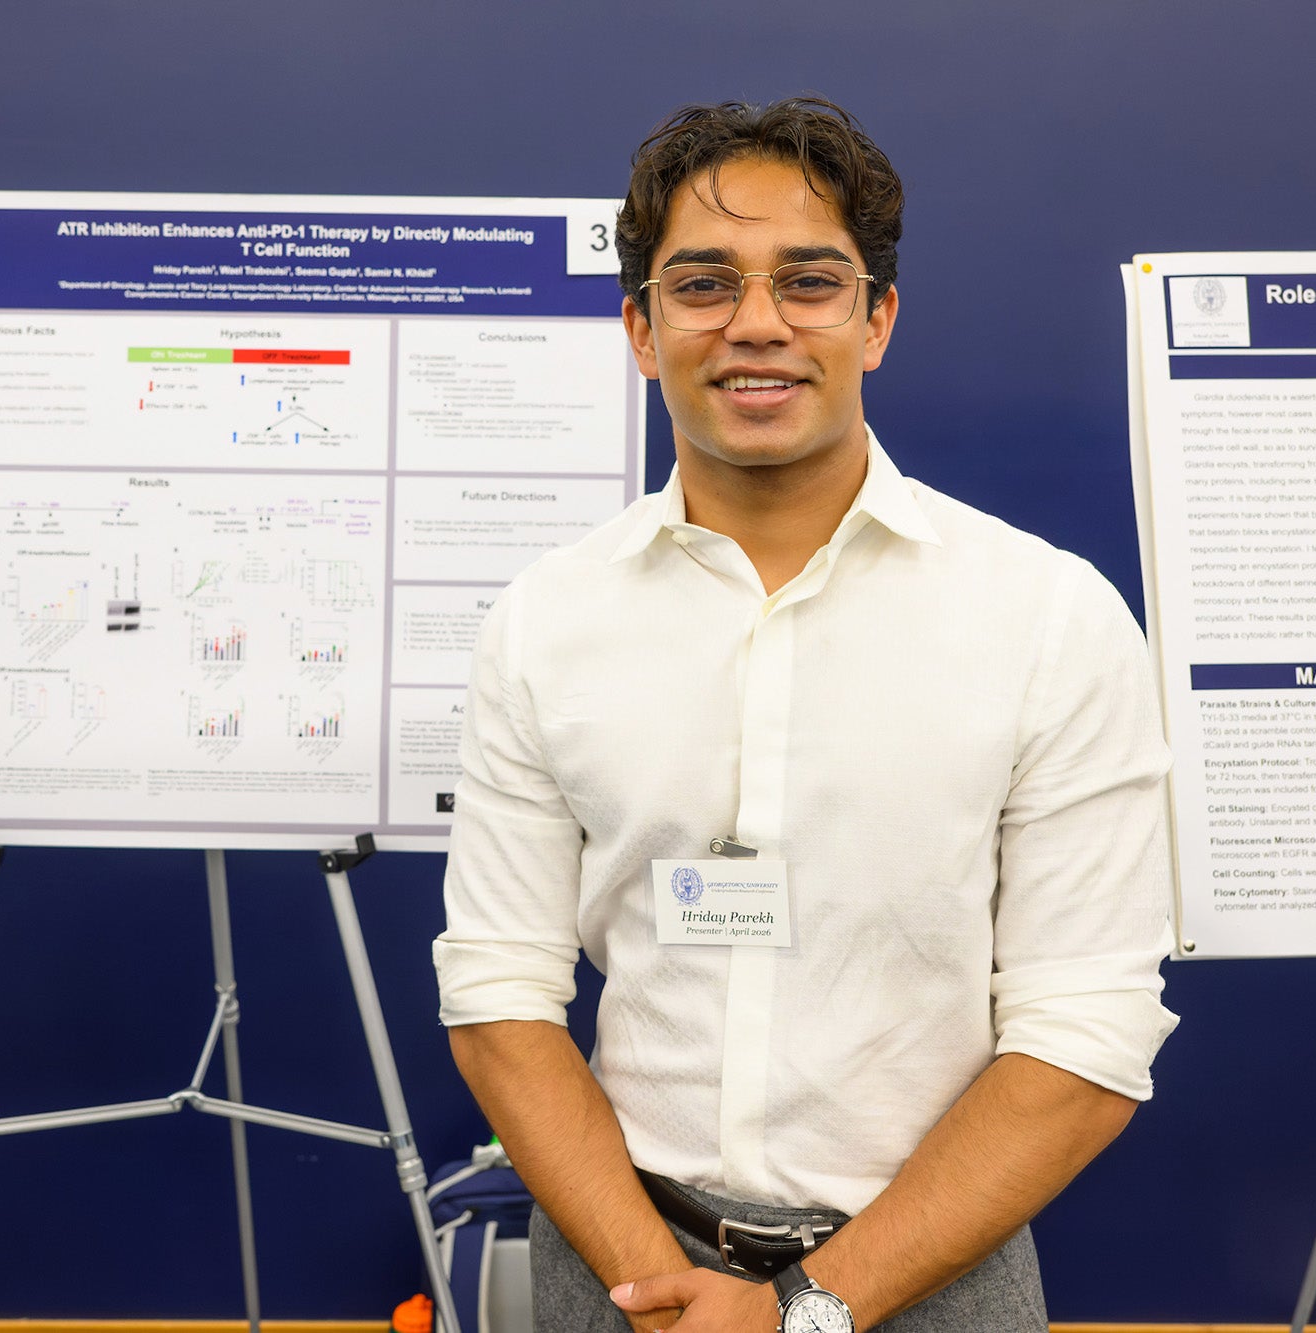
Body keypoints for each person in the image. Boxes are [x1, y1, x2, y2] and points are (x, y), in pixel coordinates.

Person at [434, 96, 1178, 1332]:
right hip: (622, 1266)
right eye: (703, 284)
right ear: (639, 326)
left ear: (875, 319)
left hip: (929, 1275)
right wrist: (652, 1285)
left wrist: (807, 1311)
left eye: (810, 281)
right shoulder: (542, 622)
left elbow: (1087, 1034)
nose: (757, 326)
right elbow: (498, 993)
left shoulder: (1048, 618)